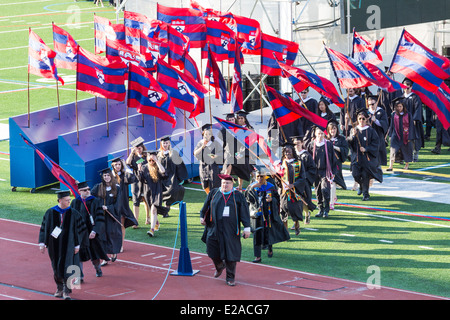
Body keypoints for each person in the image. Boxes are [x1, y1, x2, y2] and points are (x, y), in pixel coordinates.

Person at [199, 174, 251, 286]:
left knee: (230, 253)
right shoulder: (214, 193)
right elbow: (204, 208)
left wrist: (247, 228)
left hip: (230, 229)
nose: (225, 185)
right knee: (211, 249)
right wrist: (201, 217)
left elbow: (244, 213)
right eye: (223, 183)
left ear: (232, 184)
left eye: (227, 183)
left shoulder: (238, 196)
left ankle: (230, 278)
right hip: (214, 228)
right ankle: (219, 265)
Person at [39, 190, 87, 300]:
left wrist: (77, 245)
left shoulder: (74, 213)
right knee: (56, 267)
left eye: (69, 200)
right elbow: (43, 228)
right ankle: (59, 287)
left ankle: (66, 291)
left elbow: (81, 230)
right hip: (54, 245)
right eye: (67, 200)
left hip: (69, 245)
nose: (69, 202)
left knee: (69, 267)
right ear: (60, 200)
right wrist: (42, 243)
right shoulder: (50, 212)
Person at [244, 168, 290, 263]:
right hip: (256, 214)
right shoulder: (252, 186)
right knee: (257, 234)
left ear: (265, 177)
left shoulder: (270, 186)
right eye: (258, 176)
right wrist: (252, 188)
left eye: (261, 176)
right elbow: (247, 199)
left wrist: (272, 200)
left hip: (268, 213)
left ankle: (269, 247)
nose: (260, 178)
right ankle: (257, 256)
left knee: (268, 232)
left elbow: (277, 199)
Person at [70, 181, 109, 279]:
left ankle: (98, 269)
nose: (88, 191)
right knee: (77, 255)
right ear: (79, 191)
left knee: (94, 254)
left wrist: (95, 231)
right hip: (79, 234)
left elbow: (100, 218)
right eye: (85, 190)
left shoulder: (95, 201)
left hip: (92, 233)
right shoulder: (75, 202)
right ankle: (79, 276)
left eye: (88, 189)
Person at [347, 109, 383, 201]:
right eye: (360, 119)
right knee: (355, 174)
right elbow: (349, 142)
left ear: (366, 119)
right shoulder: (354, 130)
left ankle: (366, 194)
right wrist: (353, 136)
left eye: (363, 119)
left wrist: (366, 149)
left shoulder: (371, 131)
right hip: (357, 158)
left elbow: (376, 143)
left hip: (367, 159)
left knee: (365, 175)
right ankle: (361, 186)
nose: (361, 121)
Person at [274, 143, 306, 235]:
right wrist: (275, 176)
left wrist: (294, 185)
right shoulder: (281, 164)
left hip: (295, 192)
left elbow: (302, 177)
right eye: (285, 152)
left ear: (293, 152)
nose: (287, 153)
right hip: (284, 192)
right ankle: (285, 232)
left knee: (295, 211)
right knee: (283, 211)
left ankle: (296, 224)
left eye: (289, 151)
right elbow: (278, 178)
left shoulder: (298, 163)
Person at [91, 168, 122, 263]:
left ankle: (113, 252)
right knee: (102, 236)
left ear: (111, 176)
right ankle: (104, 257)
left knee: (112, 235)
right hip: (101, 216)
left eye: (108, 175)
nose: (106, 177)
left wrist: (108, 207)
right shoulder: (98, 187)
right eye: (104, 176)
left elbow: (119, 203)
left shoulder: (117, 188)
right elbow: (91, 197)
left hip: (112, 216)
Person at [306, 126, 337, 218]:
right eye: (318, 133)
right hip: (315, 172)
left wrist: (333, 171)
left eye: (322, 134)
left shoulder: (328, 145)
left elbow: (333, 159)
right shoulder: (311, 145)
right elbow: (308, 159)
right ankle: (320, 209)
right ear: (315, 134)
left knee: (325, 190)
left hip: (325, 171)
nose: (320, 135)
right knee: (318, 191)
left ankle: (326, 210)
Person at [223, 110, 256, 191]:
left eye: (241, 118)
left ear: (245, 119)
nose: (240, 120)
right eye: (238, 118)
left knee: (250, 169)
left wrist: (243, 152)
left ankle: (254, 185)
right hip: (236, 152)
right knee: (239, 169)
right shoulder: (235, 127)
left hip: (246, 152)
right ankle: (239, 187)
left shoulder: (249, 128)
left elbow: (250, 141)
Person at [110, 157, 139, 248]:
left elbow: (133, 178)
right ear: (113, 166)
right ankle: (113, 242)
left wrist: (126, 166)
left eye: (119, 164)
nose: (118, 166)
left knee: (121, 224)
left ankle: (121, 244)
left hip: (122, 203)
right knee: (113, 225)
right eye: (116, 165)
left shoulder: (124, 175)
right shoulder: (109, 176)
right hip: (112, 204)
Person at [157, 135, 188, 217]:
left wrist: (180, 178)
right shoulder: (158, 154)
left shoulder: (174, 153)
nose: (165, 145)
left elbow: (180, 166)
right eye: (163, 143)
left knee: (174, 190)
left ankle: (168, 209)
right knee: (162, 192)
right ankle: (165, 211)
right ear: (161, 144)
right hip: (162, 178)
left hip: (172, 177)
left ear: (169, 143)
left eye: (166, 143)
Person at [139, 150, 167, 237]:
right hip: (148, 191)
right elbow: (141, 180)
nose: (151, 162)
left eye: (153, 160)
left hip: (157, 191)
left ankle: (152, 230)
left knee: (153, 209)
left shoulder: (158, 166)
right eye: (150, 160)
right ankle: (156, 223)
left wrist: (157, 161)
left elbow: (164, 173)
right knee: (152, 209)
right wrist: (139, 170)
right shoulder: (144, 167)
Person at [126, 137, 150, 228]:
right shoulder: (133, 157)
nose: (138, 150)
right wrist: (132, 152)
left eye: (140, 148)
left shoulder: (146, 156)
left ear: (143, 147)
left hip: (145, 180)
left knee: (146, 199)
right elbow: (127, 163)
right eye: (137, 148)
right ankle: (135, 221)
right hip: (135, 181)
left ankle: (148, 217)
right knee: (136, 200)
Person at [325, 120, 349, 210]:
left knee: (333, 182)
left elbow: (345, 150)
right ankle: (333, 197)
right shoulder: (326, 139)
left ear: (337, 129)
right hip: (328, 164)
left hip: (337, 164)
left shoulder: (341, 139)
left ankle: (331, 202)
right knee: (330, 183)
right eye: (331, 129)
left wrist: (334, 147)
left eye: (334, 129)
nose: (332, 131)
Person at [387, 98, 415, 170]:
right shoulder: (394, 114)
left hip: (406, 135)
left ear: (403, 106)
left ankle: (406, 165)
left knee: (406, 150)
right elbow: (392, 125)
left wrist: (410, 136)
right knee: (393, 150)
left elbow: (411, 126)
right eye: (397, 106)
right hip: (395, 134)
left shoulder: (408, 115)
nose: (399, 108)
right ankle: (391, 166)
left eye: (400, 106)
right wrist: (390, 135)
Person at [291, 136, 317, 218]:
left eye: (298, 143)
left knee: (304, 199)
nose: (296, 146)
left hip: (304, 181)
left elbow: (312, 168)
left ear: (302, 143)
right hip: (294, 181)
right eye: (294, 144)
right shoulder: (291, 156)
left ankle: (306, 214)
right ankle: (297, 220)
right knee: (295, 200)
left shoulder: (306, 155)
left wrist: (304, 176)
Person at [194, 124, 223, 194]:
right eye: (206, 134)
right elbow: (195, 153)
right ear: (203, 134)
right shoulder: (200, 143)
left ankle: (214, 198)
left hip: (213, 167)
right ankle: (209, 196)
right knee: (205, 184)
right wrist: (202, 147)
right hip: (203, 167)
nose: (207, 136)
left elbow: (222, 152)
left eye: (209, 134)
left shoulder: (215, 143)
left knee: (214, 184)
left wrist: (215, 156)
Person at [402, 78, 424, 162]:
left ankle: (415, 154)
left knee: (414, 139)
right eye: (405, 85)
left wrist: (414, 119)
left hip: (413, 122)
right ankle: (406, 155)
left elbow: (418, 109)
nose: (406, 87)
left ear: (411, 87)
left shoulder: (415, 97)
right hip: (403, 122)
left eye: (408, 86)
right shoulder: (401, 98)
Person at [367, 94, 389, 166]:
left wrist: (376, 120)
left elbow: (385, 123)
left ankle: (380, 163)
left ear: (376, 103)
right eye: (369, 104)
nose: (371, 106)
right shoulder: (367, 112)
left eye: (373, 104)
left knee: (379, 149)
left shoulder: (381, 111)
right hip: (369, 135)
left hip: (378, 134)